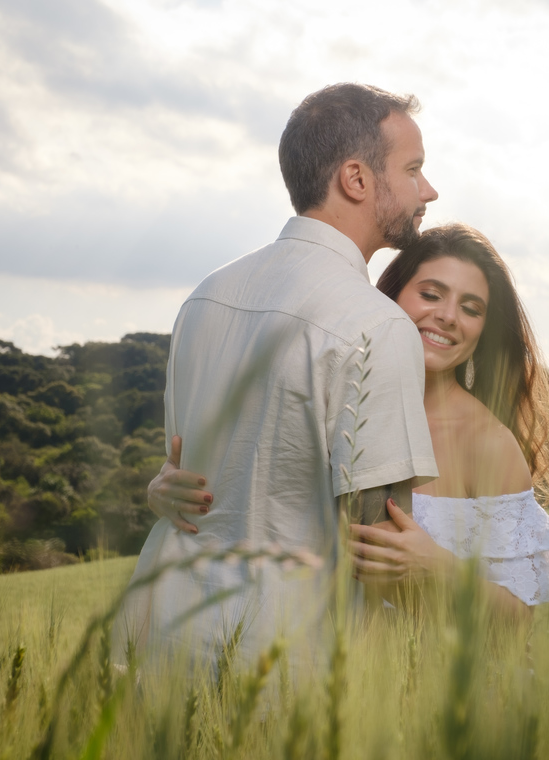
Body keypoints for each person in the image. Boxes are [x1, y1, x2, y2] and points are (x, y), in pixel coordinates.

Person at [115, 83, 440, 674]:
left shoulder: (205, 294)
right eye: (413, 170)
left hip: (154, 632)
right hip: (283, 656)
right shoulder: (375, 325)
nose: (429, 190)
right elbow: (380, 547)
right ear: (357, 179)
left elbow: (186, 472)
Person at [150, 224, 549, 626]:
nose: (448, 316)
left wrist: (435, 567)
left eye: (471, 308)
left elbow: (517, 619)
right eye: (431, 294)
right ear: (390, 298)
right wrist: (166, 492)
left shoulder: (487, 442)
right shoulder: (332, 404)